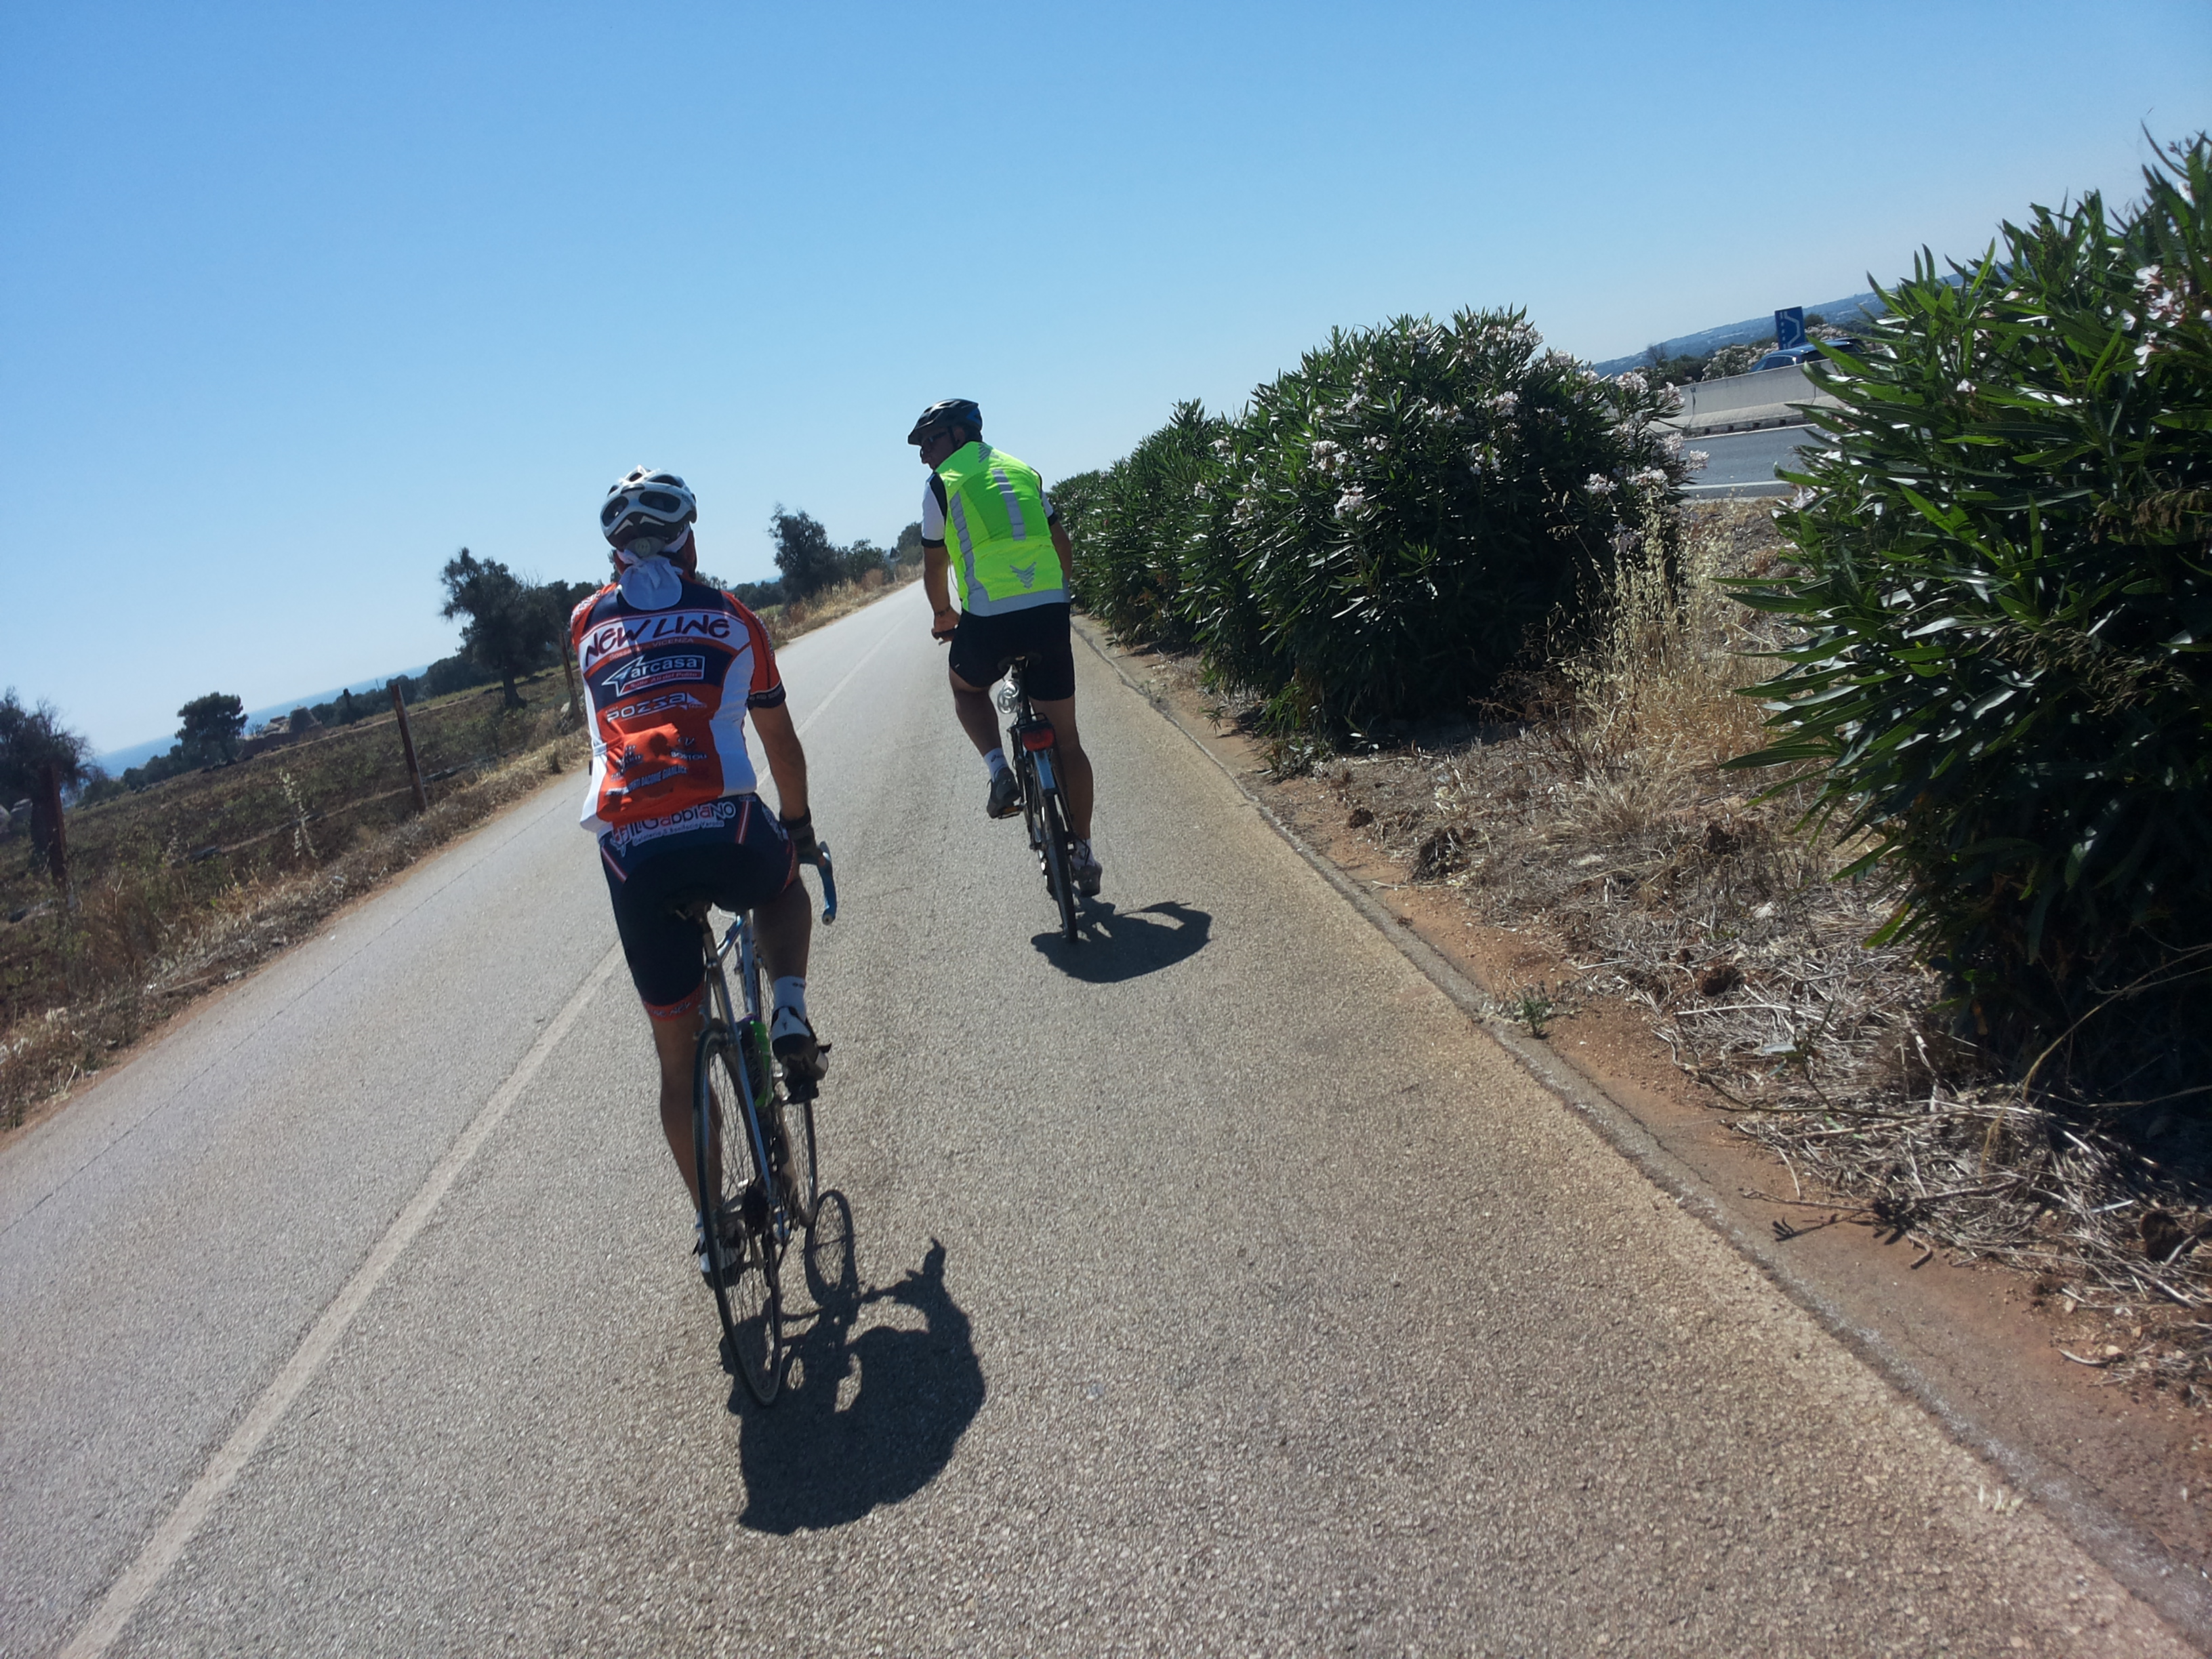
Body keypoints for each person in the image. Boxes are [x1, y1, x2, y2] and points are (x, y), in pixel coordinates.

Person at [571, 466, 827, 1277]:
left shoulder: (584, 624)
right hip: (727, 825)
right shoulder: (733, 617)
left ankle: (713, 1228)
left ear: (615, 553)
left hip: (634, 854)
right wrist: (800, 828)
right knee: (781, 886)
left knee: (677, 1062)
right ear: (690, 542)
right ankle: (789, 1010)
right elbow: (779, 742)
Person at [907, 398, 1102, 895]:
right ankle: (1082, 850)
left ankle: (999, 772)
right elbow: (1062, 545)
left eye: (930, 440)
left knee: (966, 688)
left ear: (959, 435)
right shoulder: (1023, 469)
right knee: (1068, 741)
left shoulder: (941, 485)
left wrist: (943, 615)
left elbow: (935, 567)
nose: (924, 453)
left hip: (990, 619)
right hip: (1048, 611)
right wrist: (1056, 595)